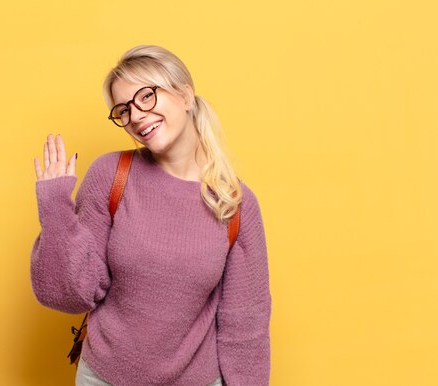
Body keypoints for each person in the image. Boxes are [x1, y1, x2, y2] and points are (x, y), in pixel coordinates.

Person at [30, 45, 271, 385]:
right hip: (104, 378)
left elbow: (246, 324)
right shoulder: (111, 174)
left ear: (185, 95)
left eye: (146, 96)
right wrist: (55, 209)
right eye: (124, 110)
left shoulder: (235, 204)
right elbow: (69, 295)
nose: (137, 116)